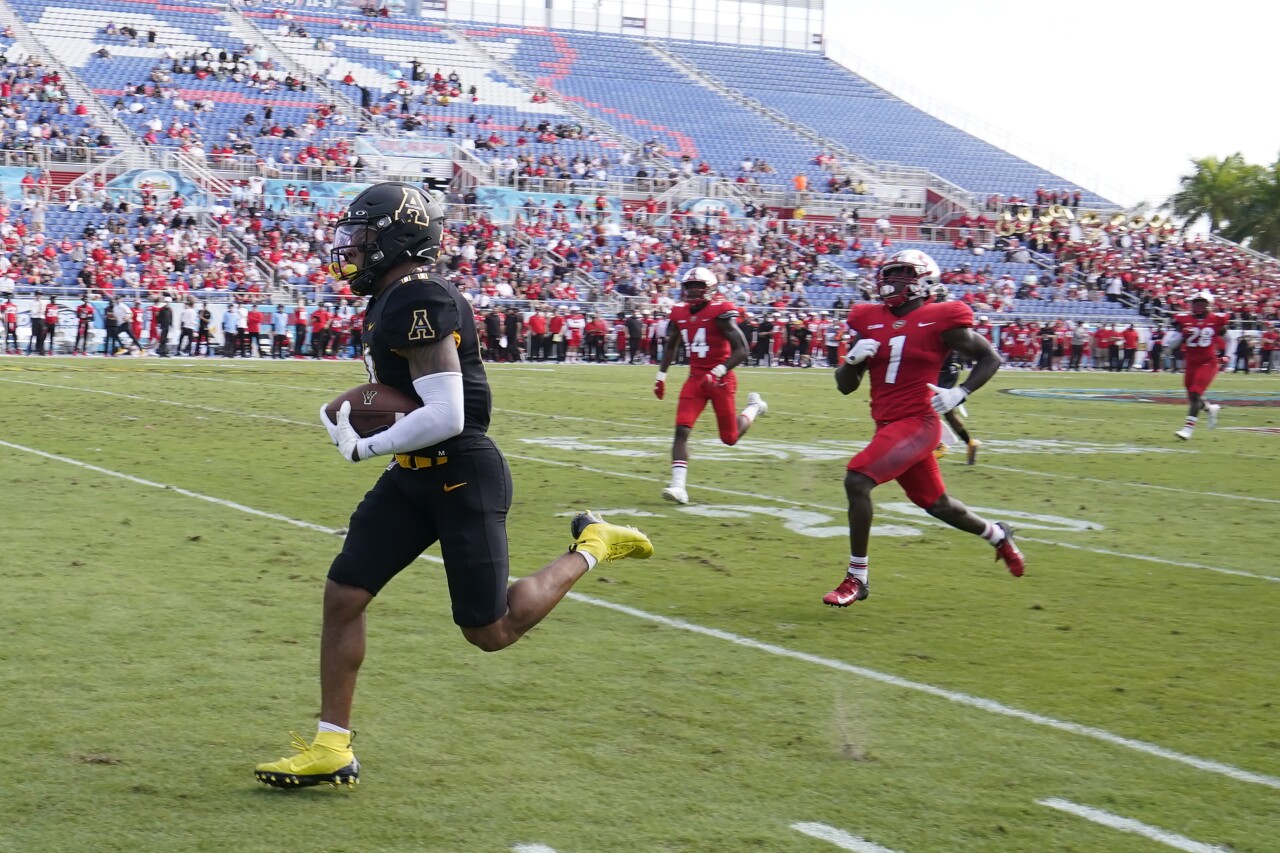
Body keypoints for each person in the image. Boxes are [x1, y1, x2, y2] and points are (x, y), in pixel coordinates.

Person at [254, 183, 654, 790]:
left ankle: (593, 545)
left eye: (362, 239)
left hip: (460, 473)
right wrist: (342, 414)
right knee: (344, 594)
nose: (350, 251)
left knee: (489, 630)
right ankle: (331, 745)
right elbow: (403, 401)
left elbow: (447, 414)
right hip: (413, 476)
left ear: (396, 239)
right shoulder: (393, 297)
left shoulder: (419, 297)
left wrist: (365, 443)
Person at [826, 249, 1024, 608]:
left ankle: (858, 576)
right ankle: (998, 534)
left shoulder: (941, 316)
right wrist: (851, 360)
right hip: (887, 423)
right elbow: (845, 385)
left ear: (924, 280)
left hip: (919, 422)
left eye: (903, 274)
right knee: (938, 505)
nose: (892, 280)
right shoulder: (868, 318)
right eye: (890, 273)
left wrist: (960, 392)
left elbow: (990, 357)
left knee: (857, 479)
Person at [654, 267, 768, 505]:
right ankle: (678, 486)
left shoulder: (720, 311)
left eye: (699, 286)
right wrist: (661, 375)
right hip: (695, 378)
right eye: (689, 286)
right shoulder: (679, 313)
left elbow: (742, 350)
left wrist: (719, 370)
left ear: (710, 288)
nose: (693, 290)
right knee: (681, 430)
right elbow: (672, 345)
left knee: (730, 438)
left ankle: (755, 407)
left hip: (721, 379)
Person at [927, 286, 981, 465]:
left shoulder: (939, 317)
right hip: (946, 369)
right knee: (947, 412)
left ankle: (940, 444)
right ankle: (970, 442)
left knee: (928, 407)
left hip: (943, 370)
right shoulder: (944, 315)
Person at [1165, 291, 1227, 440]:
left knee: (1195, 392)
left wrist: (1227, 354)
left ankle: (1188, 429)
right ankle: (1210, 408)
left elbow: (1229, 338)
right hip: (1191, 363)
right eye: (1196, 303)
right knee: (1193, 398)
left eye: (1202, 303)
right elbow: (1172, 341)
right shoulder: (1184, 319)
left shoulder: (1216, 320)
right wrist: (1176, 339)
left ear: (1208, 305)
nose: (1198, 306)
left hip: (1208, 362)